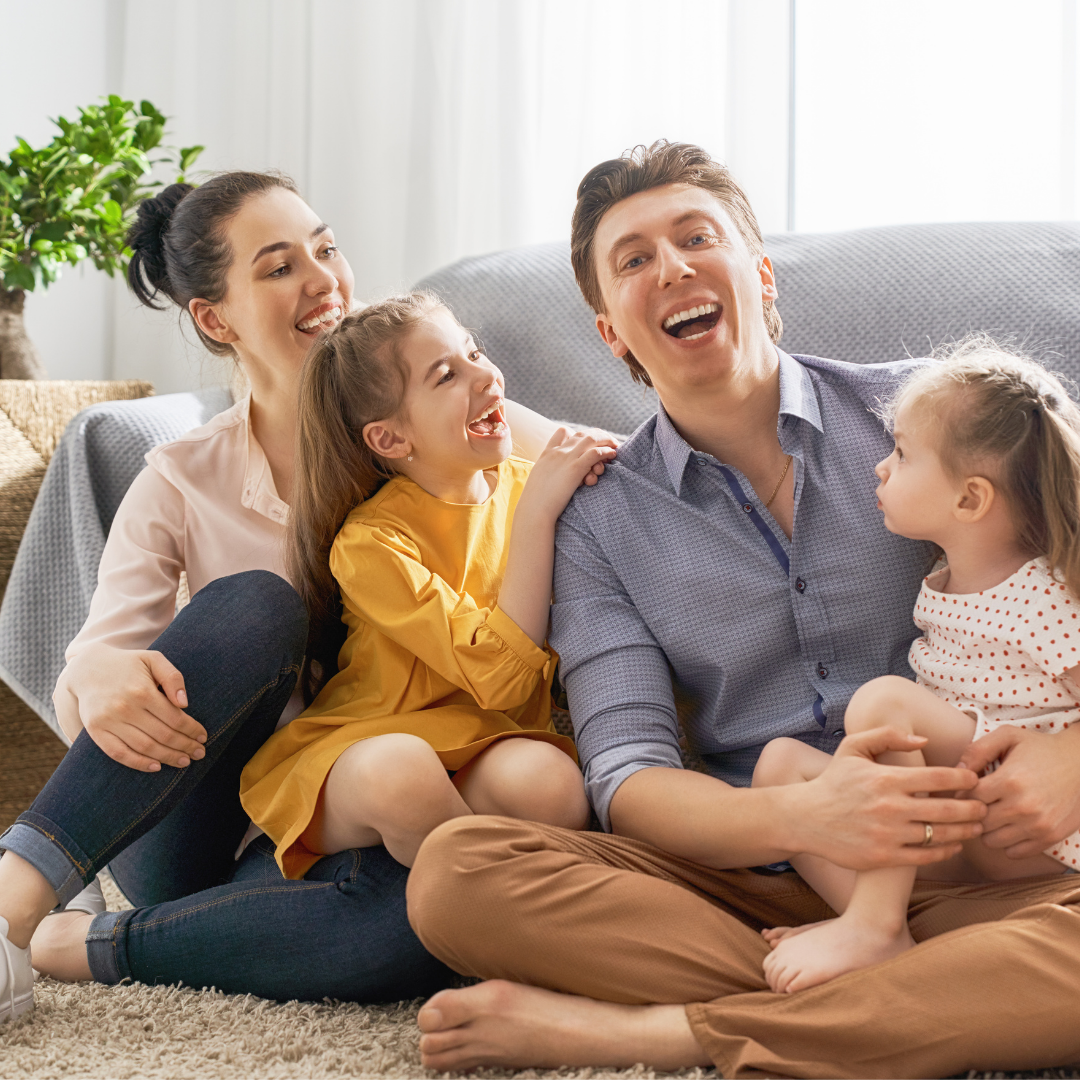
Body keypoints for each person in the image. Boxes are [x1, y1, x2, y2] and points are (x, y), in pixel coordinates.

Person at [404, 142, 1080, 1078]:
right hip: (758, 885)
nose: (671, 267)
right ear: (610, 331)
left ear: (758, 275)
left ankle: (671, 1032)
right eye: (633, 259)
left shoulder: (928, 411)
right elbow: (628, 780)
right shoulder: (599, 522)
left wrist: (1073, 757)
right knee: (457, 875)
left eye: (695, 237)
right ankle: (928, 1000)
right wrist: (809, 822)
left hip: (999, 865)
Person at [0, 171, 571, 1020]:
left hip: (373, 808)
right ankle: (12, 909)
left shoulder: (430, 415)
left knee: (422, 926)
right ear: (215, 318)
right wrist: (99, 670)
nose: (322, 279)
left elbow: (602, 466)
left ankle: (115, 944)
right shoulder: (184, 480)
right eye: (277, 268)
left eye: (326, 248)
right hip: (203, 822)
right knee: (258, 604)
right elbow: (94, 671)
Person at [239, 294, 612, 873]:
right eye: (447, 375)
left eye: (475, 352)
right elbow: (502, 678)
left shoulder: (528, 485)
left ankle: (444, 869)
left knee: (553, 785)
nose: (486, 375)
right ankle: (479, 907)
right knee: (404, 773)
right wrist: (539, 513)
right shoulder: (368, 544)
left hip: (482, 741)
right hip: (368, 748)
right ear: (390, 439)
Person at [753, 341, 1080, 995]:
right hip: (962, 823)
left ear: (969, 501)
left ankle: (872, 926)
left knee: (883, 704)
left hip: (1034, 828)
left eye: (901, 453)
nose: (880, 468)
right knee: (780, 772)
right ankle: (887, 931)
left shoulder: (1046, 592)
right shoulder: (941, 579)